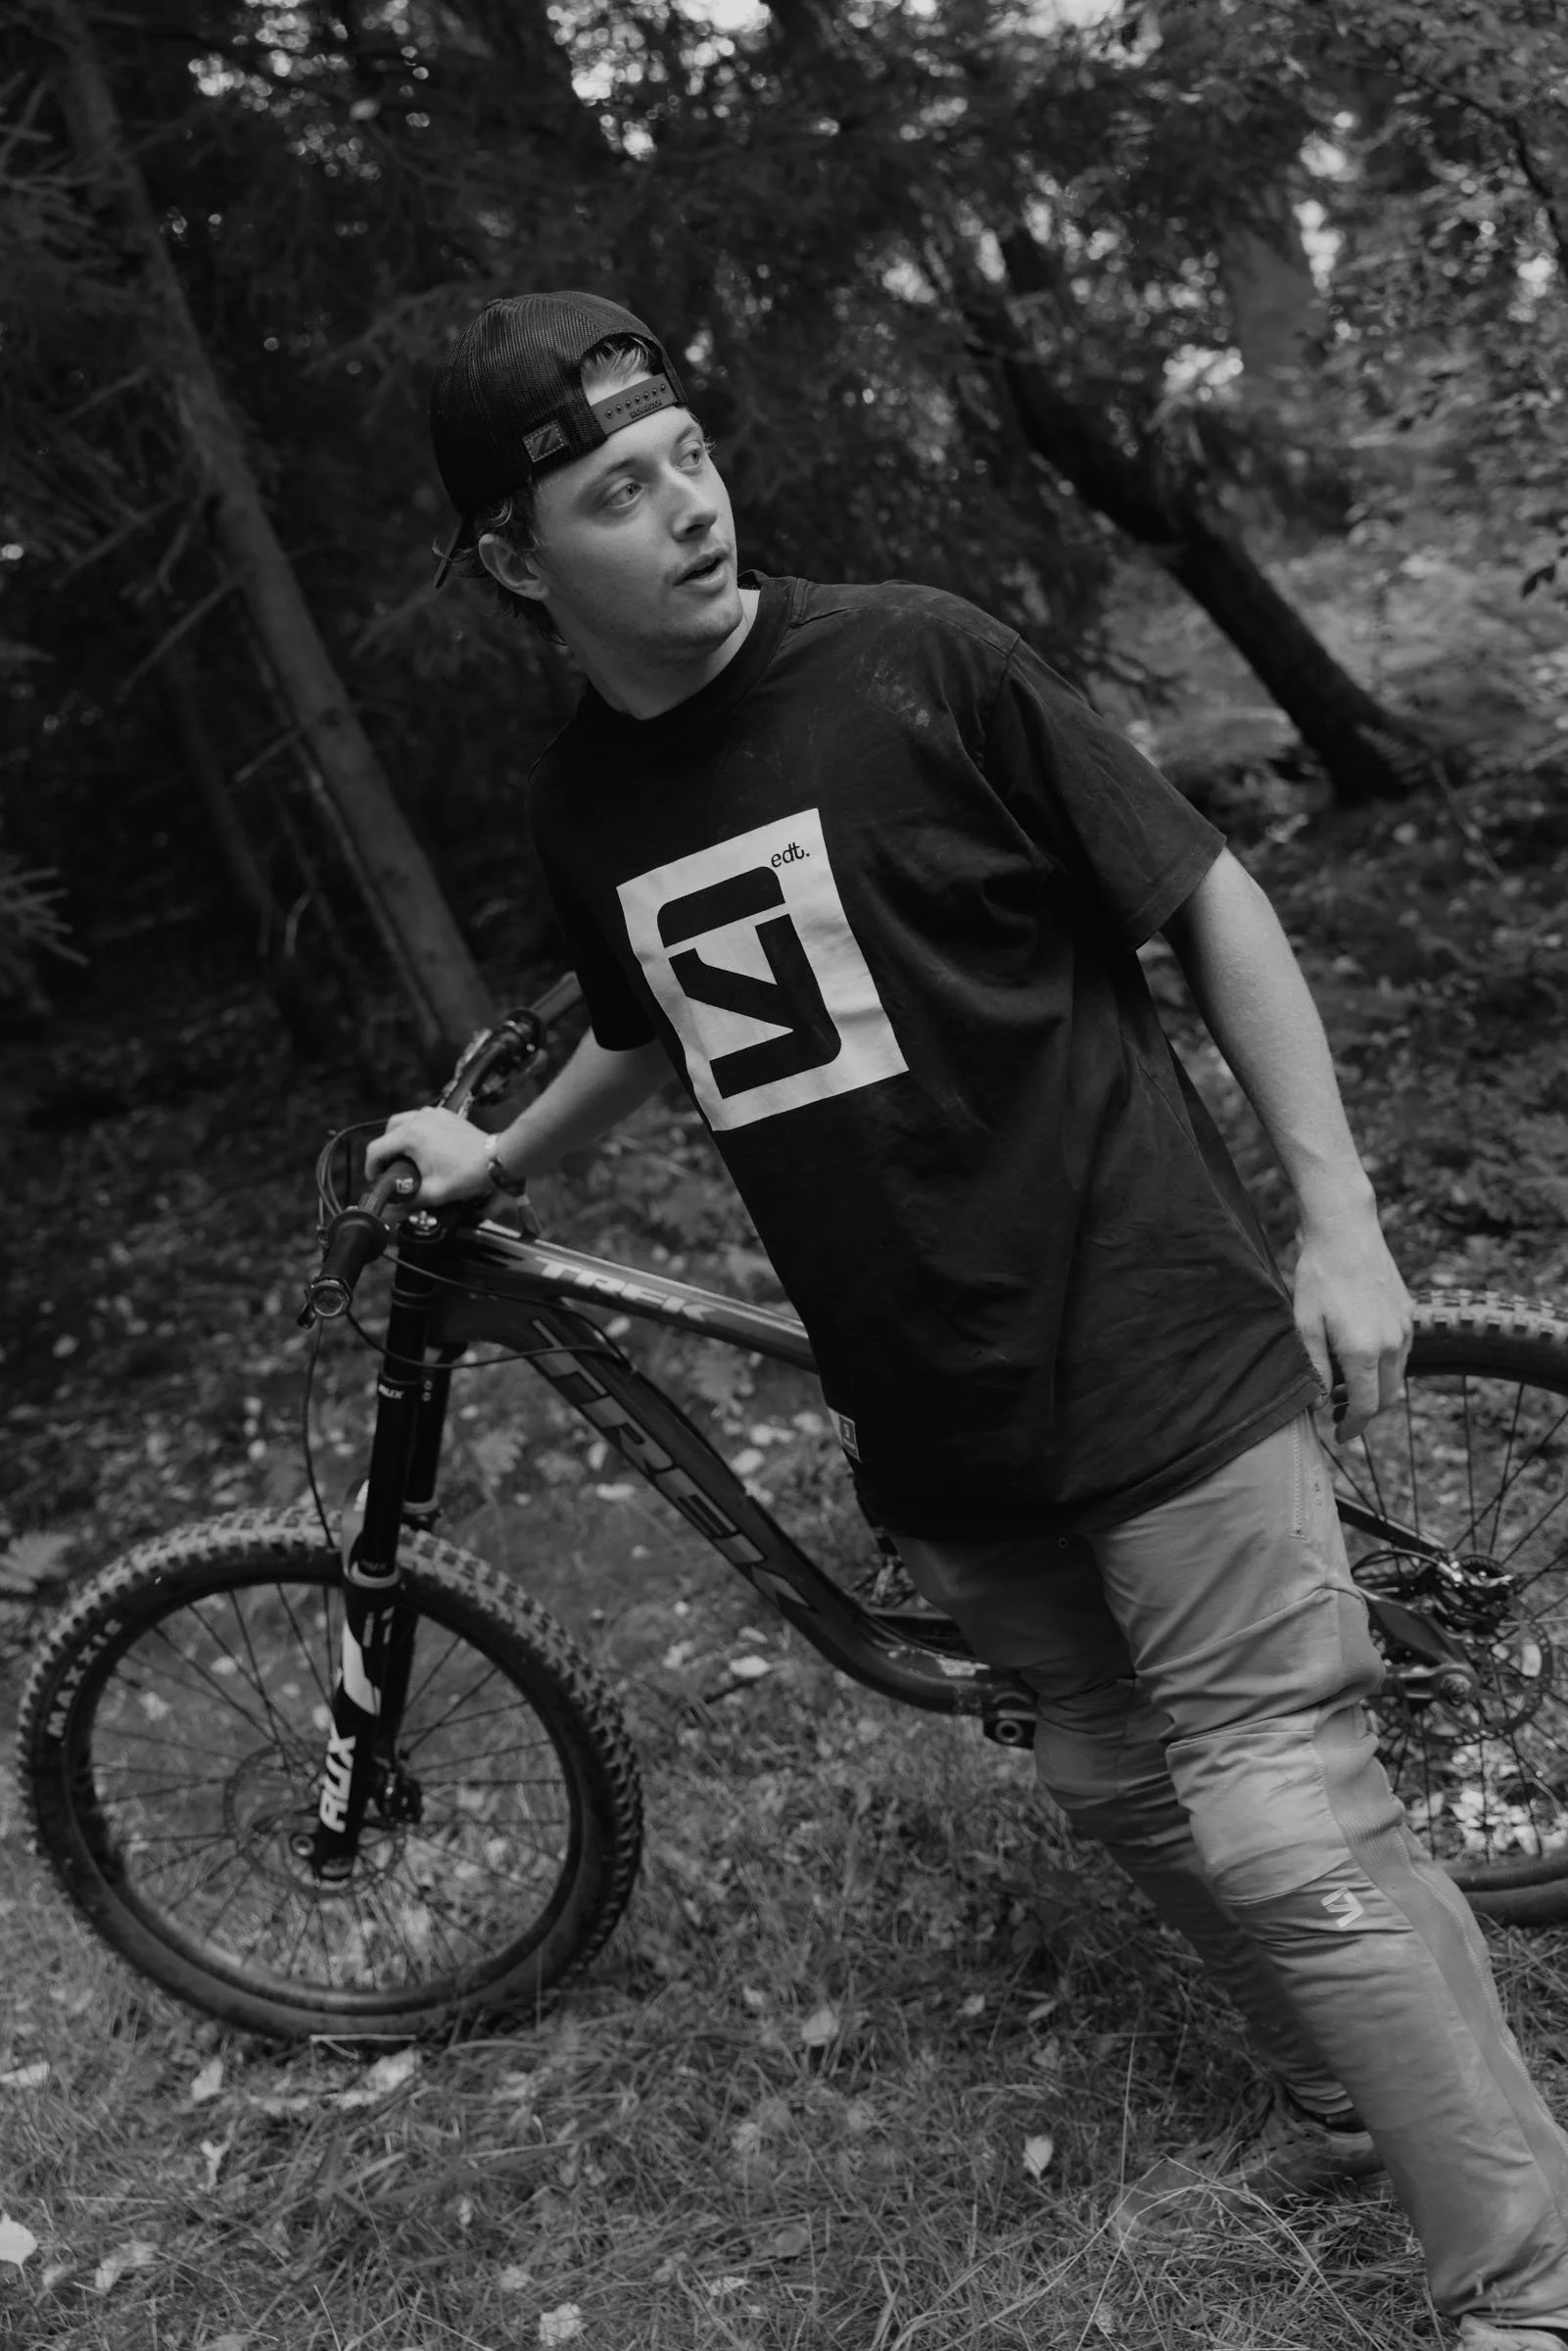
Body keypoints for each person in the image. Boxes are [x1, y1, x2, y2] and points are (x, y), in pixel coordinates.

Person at [368, 290, 1568, 2344]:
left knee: (1282, 1816)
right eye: (616, 492)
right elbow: (652, 1018)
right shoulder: (587, 807)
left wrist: (1339, 1218)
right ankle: (1338, 2082)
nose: (687, 508)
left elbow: (1203, 894)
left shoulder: (918, 659)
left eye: (687, 459)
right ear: (514, 559)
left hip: (1151, 1327)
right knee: (1115, 1777)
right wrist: (502, 1154)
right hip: (935, 1412)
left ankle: (1522, 2282)